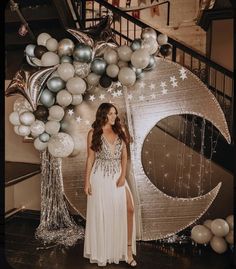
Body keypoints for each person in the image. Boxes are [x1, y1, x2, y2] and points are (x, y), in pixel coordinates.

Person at [83, 103, 137, 267]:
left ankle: (127, 251)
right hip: (99, 177)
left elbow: (124, 157)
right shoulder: (94, 133)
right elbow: (90, 158)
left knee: (129, 209)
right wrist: (86, 182)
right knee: (104, 213)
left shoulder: (121, 131)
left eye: (115, 113)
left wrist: (122, 176)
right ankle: (104, 251)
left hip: (117, 176)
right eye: (111, 114)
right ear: (103, 115)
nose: (114, 117)